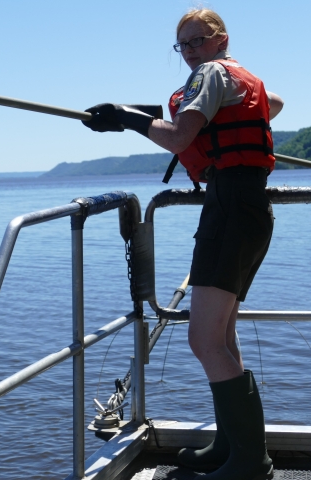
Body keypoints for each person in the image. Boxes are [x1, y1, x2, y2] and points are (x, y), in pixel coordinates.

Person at [82, 8, 283, 480]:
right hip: (248, 210)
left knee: (203, 340)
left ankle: (252, 463)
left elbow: (178, 139)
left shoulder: (211, 73)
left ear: (221, 40)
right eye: (184, 45)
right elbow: (271, 104)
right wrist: (200, 111)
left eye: (199, 40)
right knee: (223, 338)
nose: (191, 51)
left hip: (230, 208)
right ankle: (231, 445)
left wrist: (127, 118)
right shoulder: (238, 77)